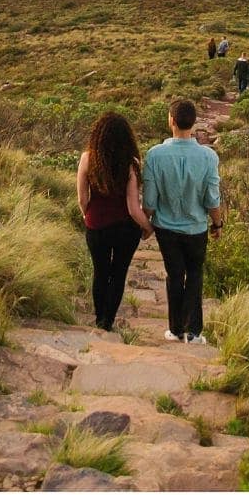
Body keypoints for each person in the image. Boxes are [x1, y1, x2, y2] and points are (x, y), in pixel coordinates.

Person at [140, 99, 223, 344]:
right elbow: (212, 198)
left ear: (171, 121)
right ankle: (194, 332)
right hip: (196, 228)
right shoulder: (208, 157)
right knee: (195, 275)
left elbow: (150, 203)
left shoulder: (155, 155)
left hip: (167, 228)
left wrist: (143, 226)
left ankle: (175, 329)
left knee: (174, 275)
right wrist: (217, 224)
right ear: (193, 122)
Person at [77, 112, 152, 332]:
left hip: (96, 225)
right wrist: (148, 227)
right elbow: (132, 207)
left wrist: (86, 214)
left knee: (100, 272)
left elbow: (82, 198)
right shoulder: (131, 163)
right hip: (125, 229)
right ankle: (107, 321)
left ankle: (99, 318)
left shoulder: (87, 159)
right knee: (118, 274)